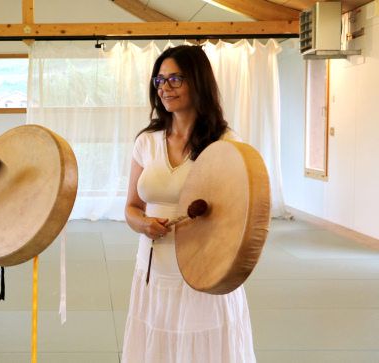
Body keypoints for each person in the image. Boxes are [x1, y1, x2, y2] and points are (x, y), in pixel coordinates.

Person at [122, 45, 256, 362]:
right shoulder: (146, 140)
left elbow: (236, 216)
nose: (165, 87)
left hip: (205, 270)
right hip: (153, 270)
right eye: (159, 80)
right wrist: (142, 224)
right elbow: (131, 207)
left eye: (175, 79)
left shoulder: (225, 142)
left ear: (198, 81)